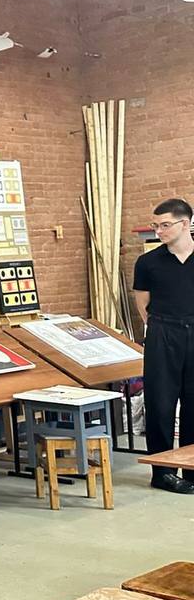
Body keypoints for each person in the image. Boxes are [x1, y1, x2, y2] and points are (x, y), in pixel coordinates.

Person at [132, 197, 194, 494]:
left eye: (165, 225)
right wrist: (163, 328)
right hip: (163, 333)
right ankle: (163, 473)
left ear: (185, 224)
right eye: (155, 225)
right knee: (160, 404)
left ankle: (191, 469)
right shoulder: (148, 262)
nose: (159, 231)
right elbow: (142, 305)